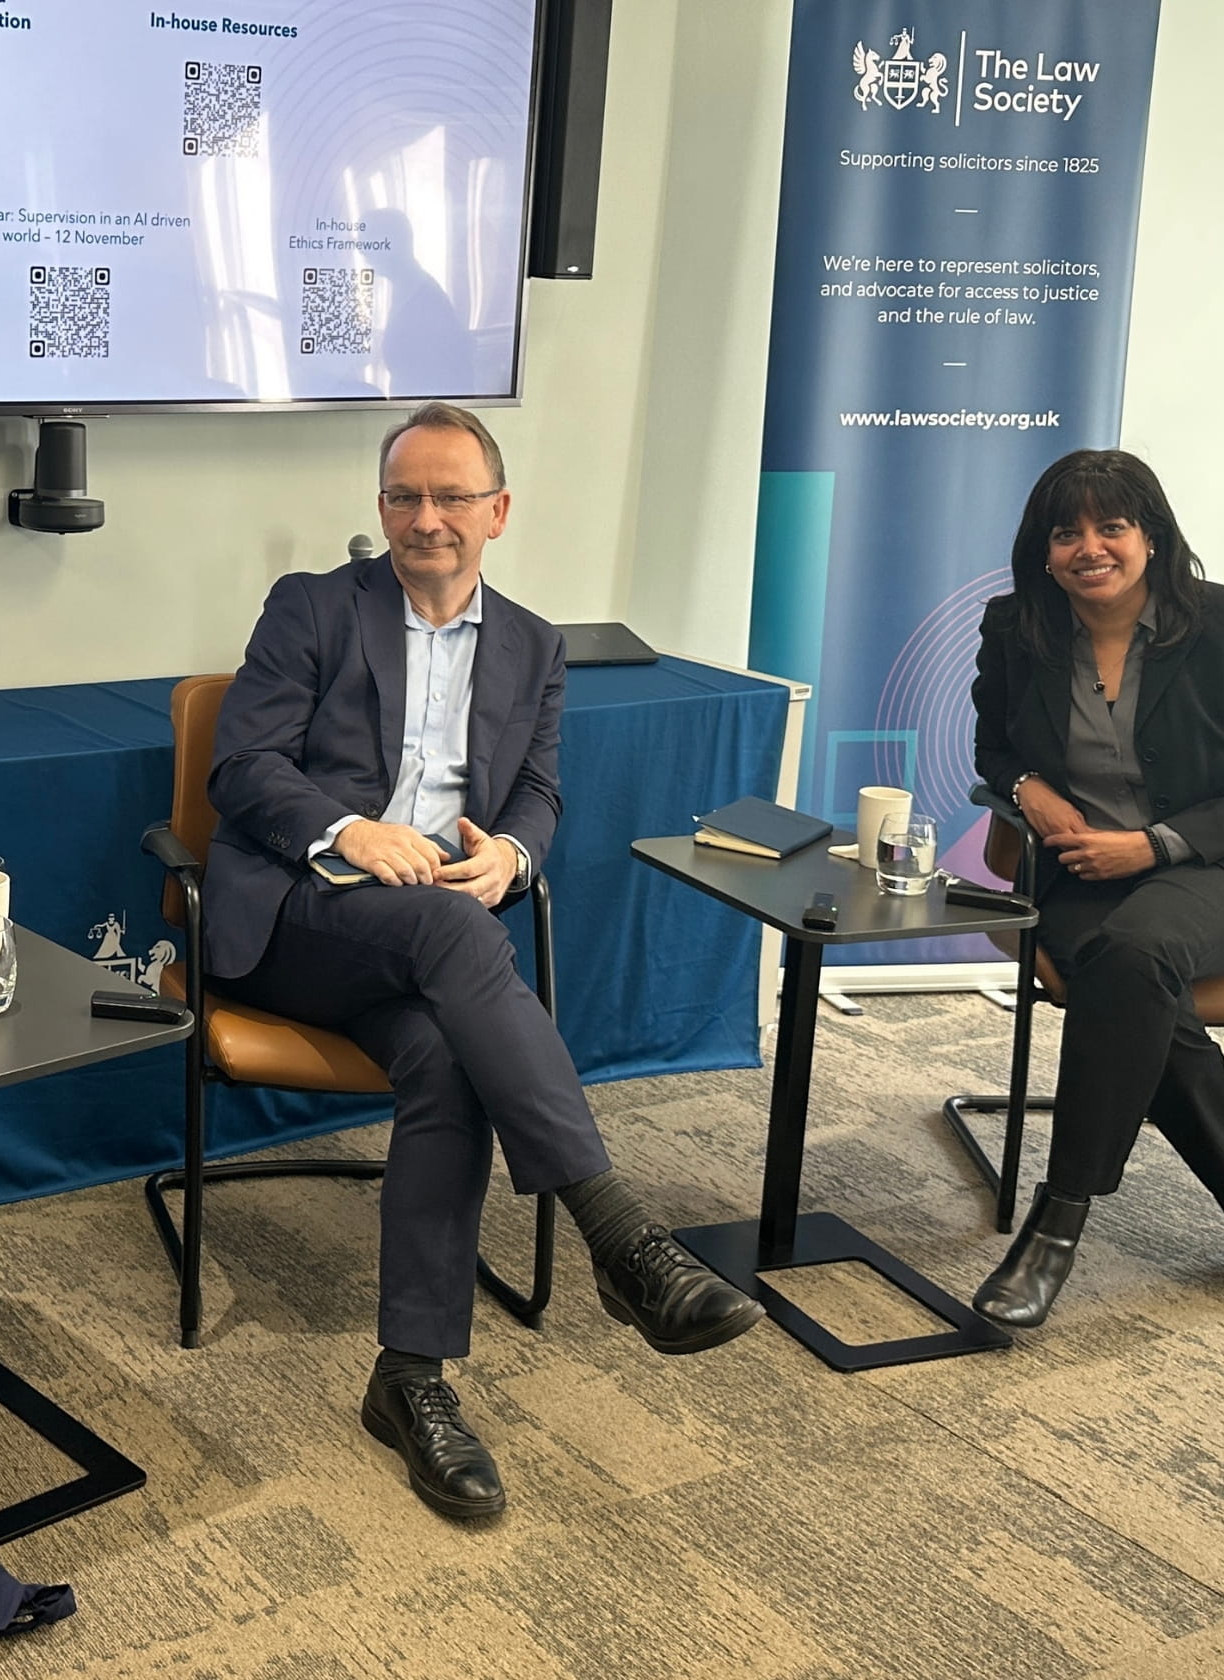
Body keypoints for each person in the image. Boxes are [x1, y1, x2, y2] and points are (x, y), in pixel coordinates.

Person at [203, 403, 761, 1520]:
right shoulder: (311, 609)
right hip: (300, 924)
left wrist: (509, 853)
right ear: (379, 511)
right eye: (404, 496)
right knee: (459, 938)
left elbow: (539, 793)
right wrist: (347, 832)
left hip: (426, 954)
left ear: (496, 512)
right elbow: (243, 764)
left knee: (452, 1061)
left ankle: (408, 1379)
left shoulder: (533, 645)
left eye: (451, 496)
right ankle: (619, 1236)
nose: (426, 518)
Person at [969, 447, 1224, 1328]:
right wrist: (1028, 792)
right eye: (1067, 532)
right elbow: (996, 749)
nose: (1090, 548)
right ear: (1044, 551)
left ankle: (1058, 1222)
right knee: (1133, 981)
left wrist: (1155, 846)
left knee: (1133, 955)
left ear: (1153, 538)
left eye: (1112, 527)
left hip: (1219, 870)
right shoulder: (1016, 627)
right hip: (1083, 869)